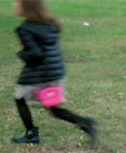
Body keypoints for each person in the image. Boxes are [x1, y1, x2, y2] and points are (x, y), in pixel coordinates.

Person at [11, 0, 97, 145]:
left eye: (17, 1)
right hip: (53, 72)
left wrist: (21, 52)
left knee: (19, 98)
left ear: (26, 6)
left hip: (40, 74)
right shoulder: (50, 23)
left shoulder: (25, 28)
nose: (14, 4)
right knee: (53, 108)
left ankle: (31, 134)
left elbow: (35, 54)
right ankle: (86, 122)